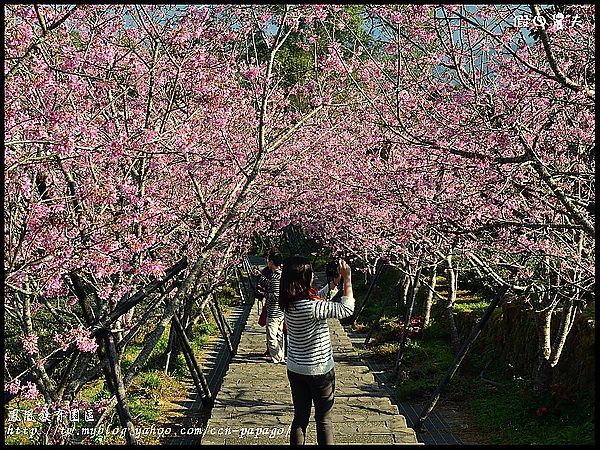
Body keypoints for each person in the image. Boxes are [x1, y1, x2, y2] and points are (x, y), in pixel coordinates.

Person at [279, 255, 354, 445]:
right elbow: (346, 309)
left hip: (296, 369)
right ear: (304, 279)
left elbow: (316, 299)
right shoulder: (312, 307)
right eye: (310, 273)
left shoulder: (288, 302)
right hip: (319, 370)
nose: (313, 275)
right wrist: (347, 279)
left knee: (300, 419)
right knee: (323, 420)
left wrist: (332, 286)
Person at [257, 249, 285, 364]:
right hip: (280, 311)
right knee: (279, 334)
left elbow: (276, 295)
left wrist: (264, 294)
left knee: (272, 337)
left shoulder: (276, 276)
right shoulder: (278, 274)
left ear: (272, 262)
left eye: (268, 260)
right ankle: (281, 356)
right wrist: (260, 277)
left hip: (274, 311)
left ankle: (278, 358)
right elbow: (272, 285)